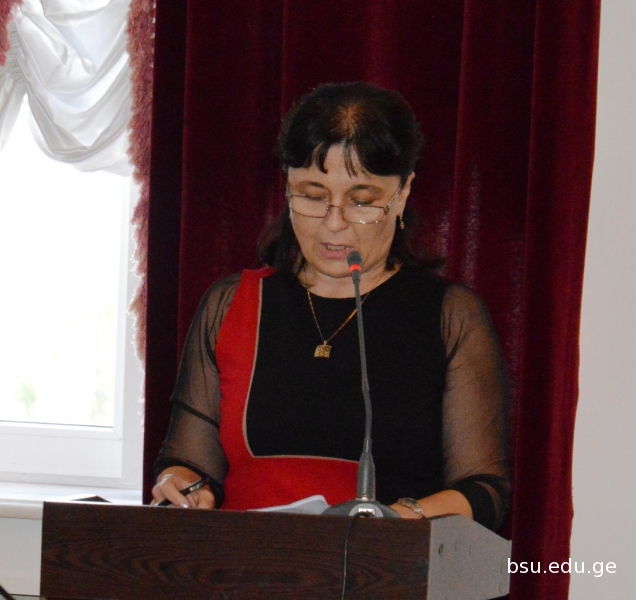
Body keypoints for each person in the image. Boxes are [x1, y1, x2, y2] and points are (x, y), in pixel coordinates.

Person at [152, 81, 510, 530]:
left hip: (383, 564)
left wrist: (393, 521)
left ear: (402, 194)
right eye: (313, 196)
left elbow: (486, 489)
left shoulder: (449, 317)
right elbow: (188, 461)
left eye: (362, 201)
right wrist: (180, 484)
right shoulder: (231, 304)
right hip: (243, 563)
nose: (334, 223)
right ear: (287, 187)